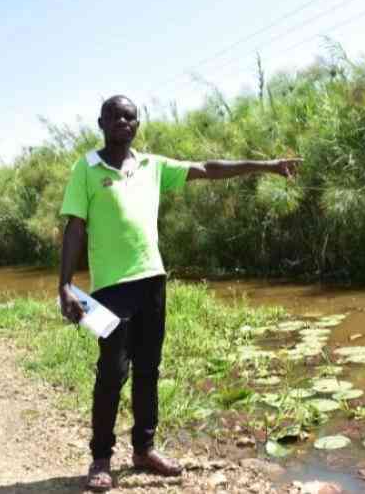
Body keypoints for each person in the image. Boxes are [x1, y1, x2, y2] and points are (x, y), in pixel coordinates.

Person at [58, 95, 300, 491]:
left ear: (137, 125)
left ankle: (144, 449)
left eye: (130, 116)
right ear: (101, 122)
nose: (123, 121)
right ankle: (101, 457)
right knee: (112, 372)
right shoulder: (85, 169)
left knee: (149, 369)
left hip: (152, 281)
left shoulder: (153, 166)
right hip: (109, 290)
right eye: (115, 116)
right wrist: (65, 285)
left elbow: (206, 168)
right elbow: (75, 228)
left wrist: (267, 166)